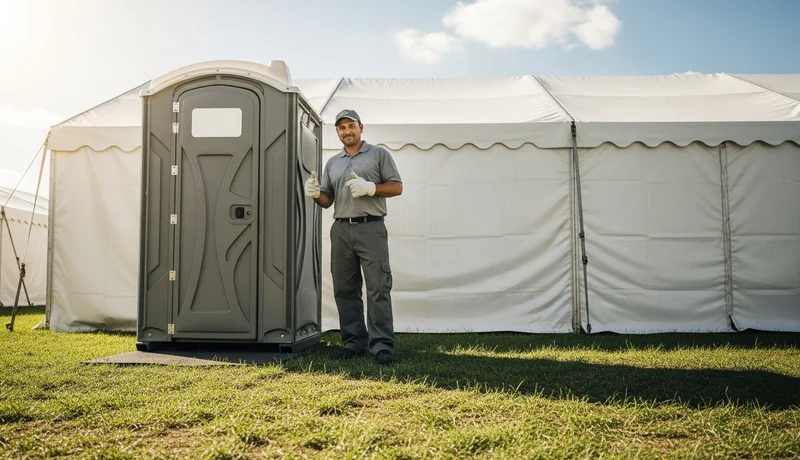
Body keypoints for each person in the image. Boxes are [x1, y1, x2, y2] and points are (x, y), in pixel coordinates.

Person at [304, 109, 403, 365]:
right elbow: (327, 200)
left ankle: (381, 346)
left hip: (371, 228)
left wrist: (371, 188)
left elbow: (397, 186)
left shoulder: (379, 154)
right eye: (341, 128)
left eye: (351, 126)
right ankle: (353, 343)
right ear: (337, 132)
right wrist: (315, 193)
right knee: (345, 289)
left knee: (378, 288)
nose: (347, 131)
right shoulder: (333, 163)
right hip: (341, 230)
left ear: (361, 127)